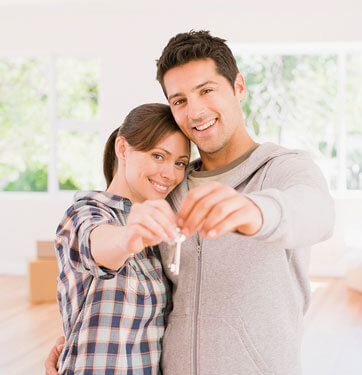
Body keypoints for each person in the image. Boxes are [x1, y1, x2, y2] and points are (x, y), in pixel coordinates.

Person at [47, 30, 335, 375]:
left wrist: (256, 211)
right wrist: (77, 342)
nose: (195, 111)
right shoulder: (169, 191)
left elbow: (317, 213)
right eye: (179, 100)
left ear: (238, 87)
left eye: (207, 90)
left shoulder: (282, 169)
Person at [54, 103, 190, 374]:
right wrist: (127, 237)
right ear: (123, 148)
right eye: (158, 156)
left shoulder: (160, 231)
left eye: (180, 163)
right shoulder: (86, 213)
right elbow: (97, 245)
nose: (170, 173)